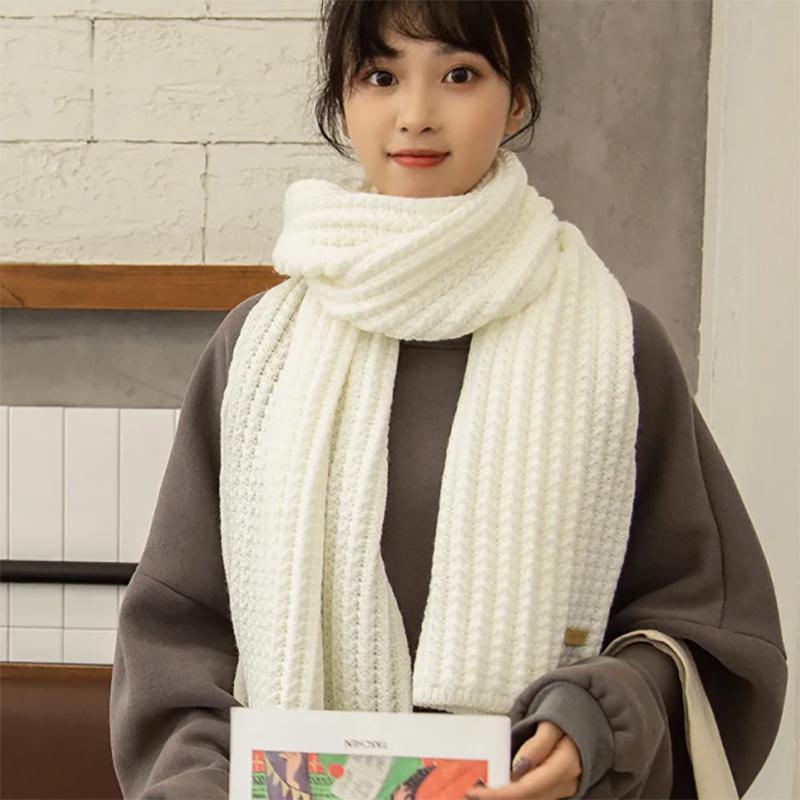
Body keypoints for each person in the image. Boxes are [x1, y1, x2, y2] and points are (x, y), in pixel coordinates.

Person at [109, 2, 787, 798]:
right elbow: (178, 632)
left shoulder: (615, 346)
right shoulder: (257, 350)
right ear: (341, 101)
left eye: (460, 74)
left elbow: (707, 632)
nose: (417, 114)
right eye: (380, 76)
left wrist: (601, 718)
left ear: (518, 99)